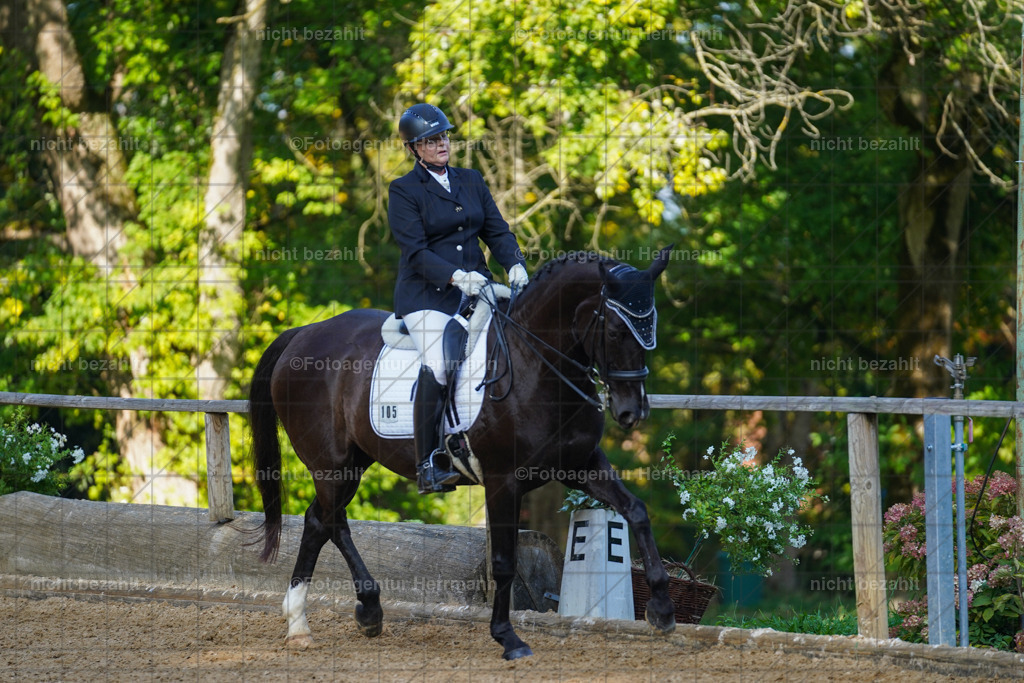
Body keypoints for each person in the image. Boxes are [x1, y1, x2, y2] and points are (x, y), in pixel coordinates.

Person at [389, 103, 530, 494]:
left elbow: (498, 232)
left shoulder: (470, 179)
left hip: (479, 288)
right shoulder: (403, 191)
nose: (441, 144)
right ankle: (428, 464)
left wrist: (515, 263)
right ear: (415, 148)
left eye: (444, 136)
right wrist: (454, 276)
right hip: (428, 296)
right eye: (431, 140)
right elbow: (414, 252)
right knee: (439, 363)